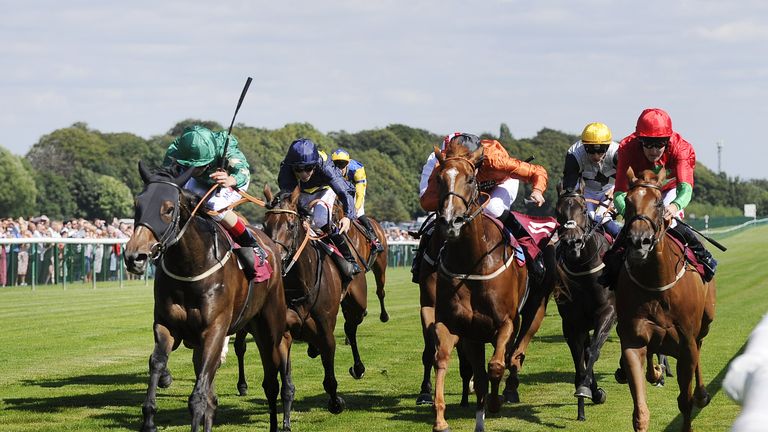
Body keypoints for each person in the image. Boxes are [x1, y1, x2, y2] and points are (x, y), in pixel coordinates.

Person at [602, 108, 718, 286]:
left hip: (670, 190)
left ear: (668, 140)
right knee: (631, 227)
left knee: (672, 222)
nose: (654, 150)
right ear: (639, 139)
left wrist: (674, 207)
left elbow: (685, 188)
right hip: (643, 193)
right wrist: (630, 212)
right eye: (648, 143)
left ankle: (702, 255)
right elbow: (619, 192)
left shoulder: (681, 149)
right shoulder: (627, 148)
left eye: (660, 143)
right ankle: (611, 266)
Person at [419, 132, 549, 282]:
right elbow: (426, 202)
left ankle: (532, 254)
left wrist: (538, 190)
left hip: (501, 183)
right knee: (445, 214)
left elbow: (537, 171)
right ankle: (421, 263)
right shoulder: (446, 168)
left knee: (492, 208)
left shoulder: (495, 160)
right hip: (467, 189)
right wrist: (449, 196)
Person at [163, 124, 268, 282]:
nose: (193, 169)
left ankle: (251, 244)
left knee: (214, 205)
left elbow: (243, 172)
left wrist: (229, 179)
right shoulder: (175, 151)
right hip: (201, 182)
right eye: (188, 166)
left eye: (198, 166)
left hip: (231, 181)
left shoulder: (225, 148)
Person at [278, 138, 361, 280]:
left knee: (320, 219)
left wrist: (348, 216)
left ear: (315, 164)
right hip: (302, 193)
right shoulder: (286, 169)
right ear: (291, 166)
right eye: (298, 169)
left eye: (309, 168)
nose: (304, 174)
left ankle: (350, 260)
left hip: (325, 190)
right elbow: (289, 198)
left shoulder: (325, 166)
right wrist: (302, 216)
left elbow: (344, 192)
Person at [561, 122, 621, 237]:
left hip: (613, 190)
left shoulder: (617, 153)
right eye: (591, 151)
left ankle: (623, 243)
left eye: (600, 151)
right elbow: (570, 186)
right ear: (584, 146)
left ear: (607, 147)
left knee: (601, 217)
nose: (596, 156)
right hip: (586, 192)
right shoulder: (574, 154)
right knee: (585, 217)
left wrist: (617, 190)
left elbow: (629, 178)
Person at [331, 148, 384, 253]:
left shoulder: (357, 170)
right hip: (340, 188)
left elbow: (359, 195)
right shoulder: (330, 169)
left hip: (355, 188)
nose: (340, 167)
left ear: (348, 162)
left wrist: (354, 209)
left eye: (343, 164)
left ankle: (375, 240)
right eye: (337, 164)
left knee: (358, 212)